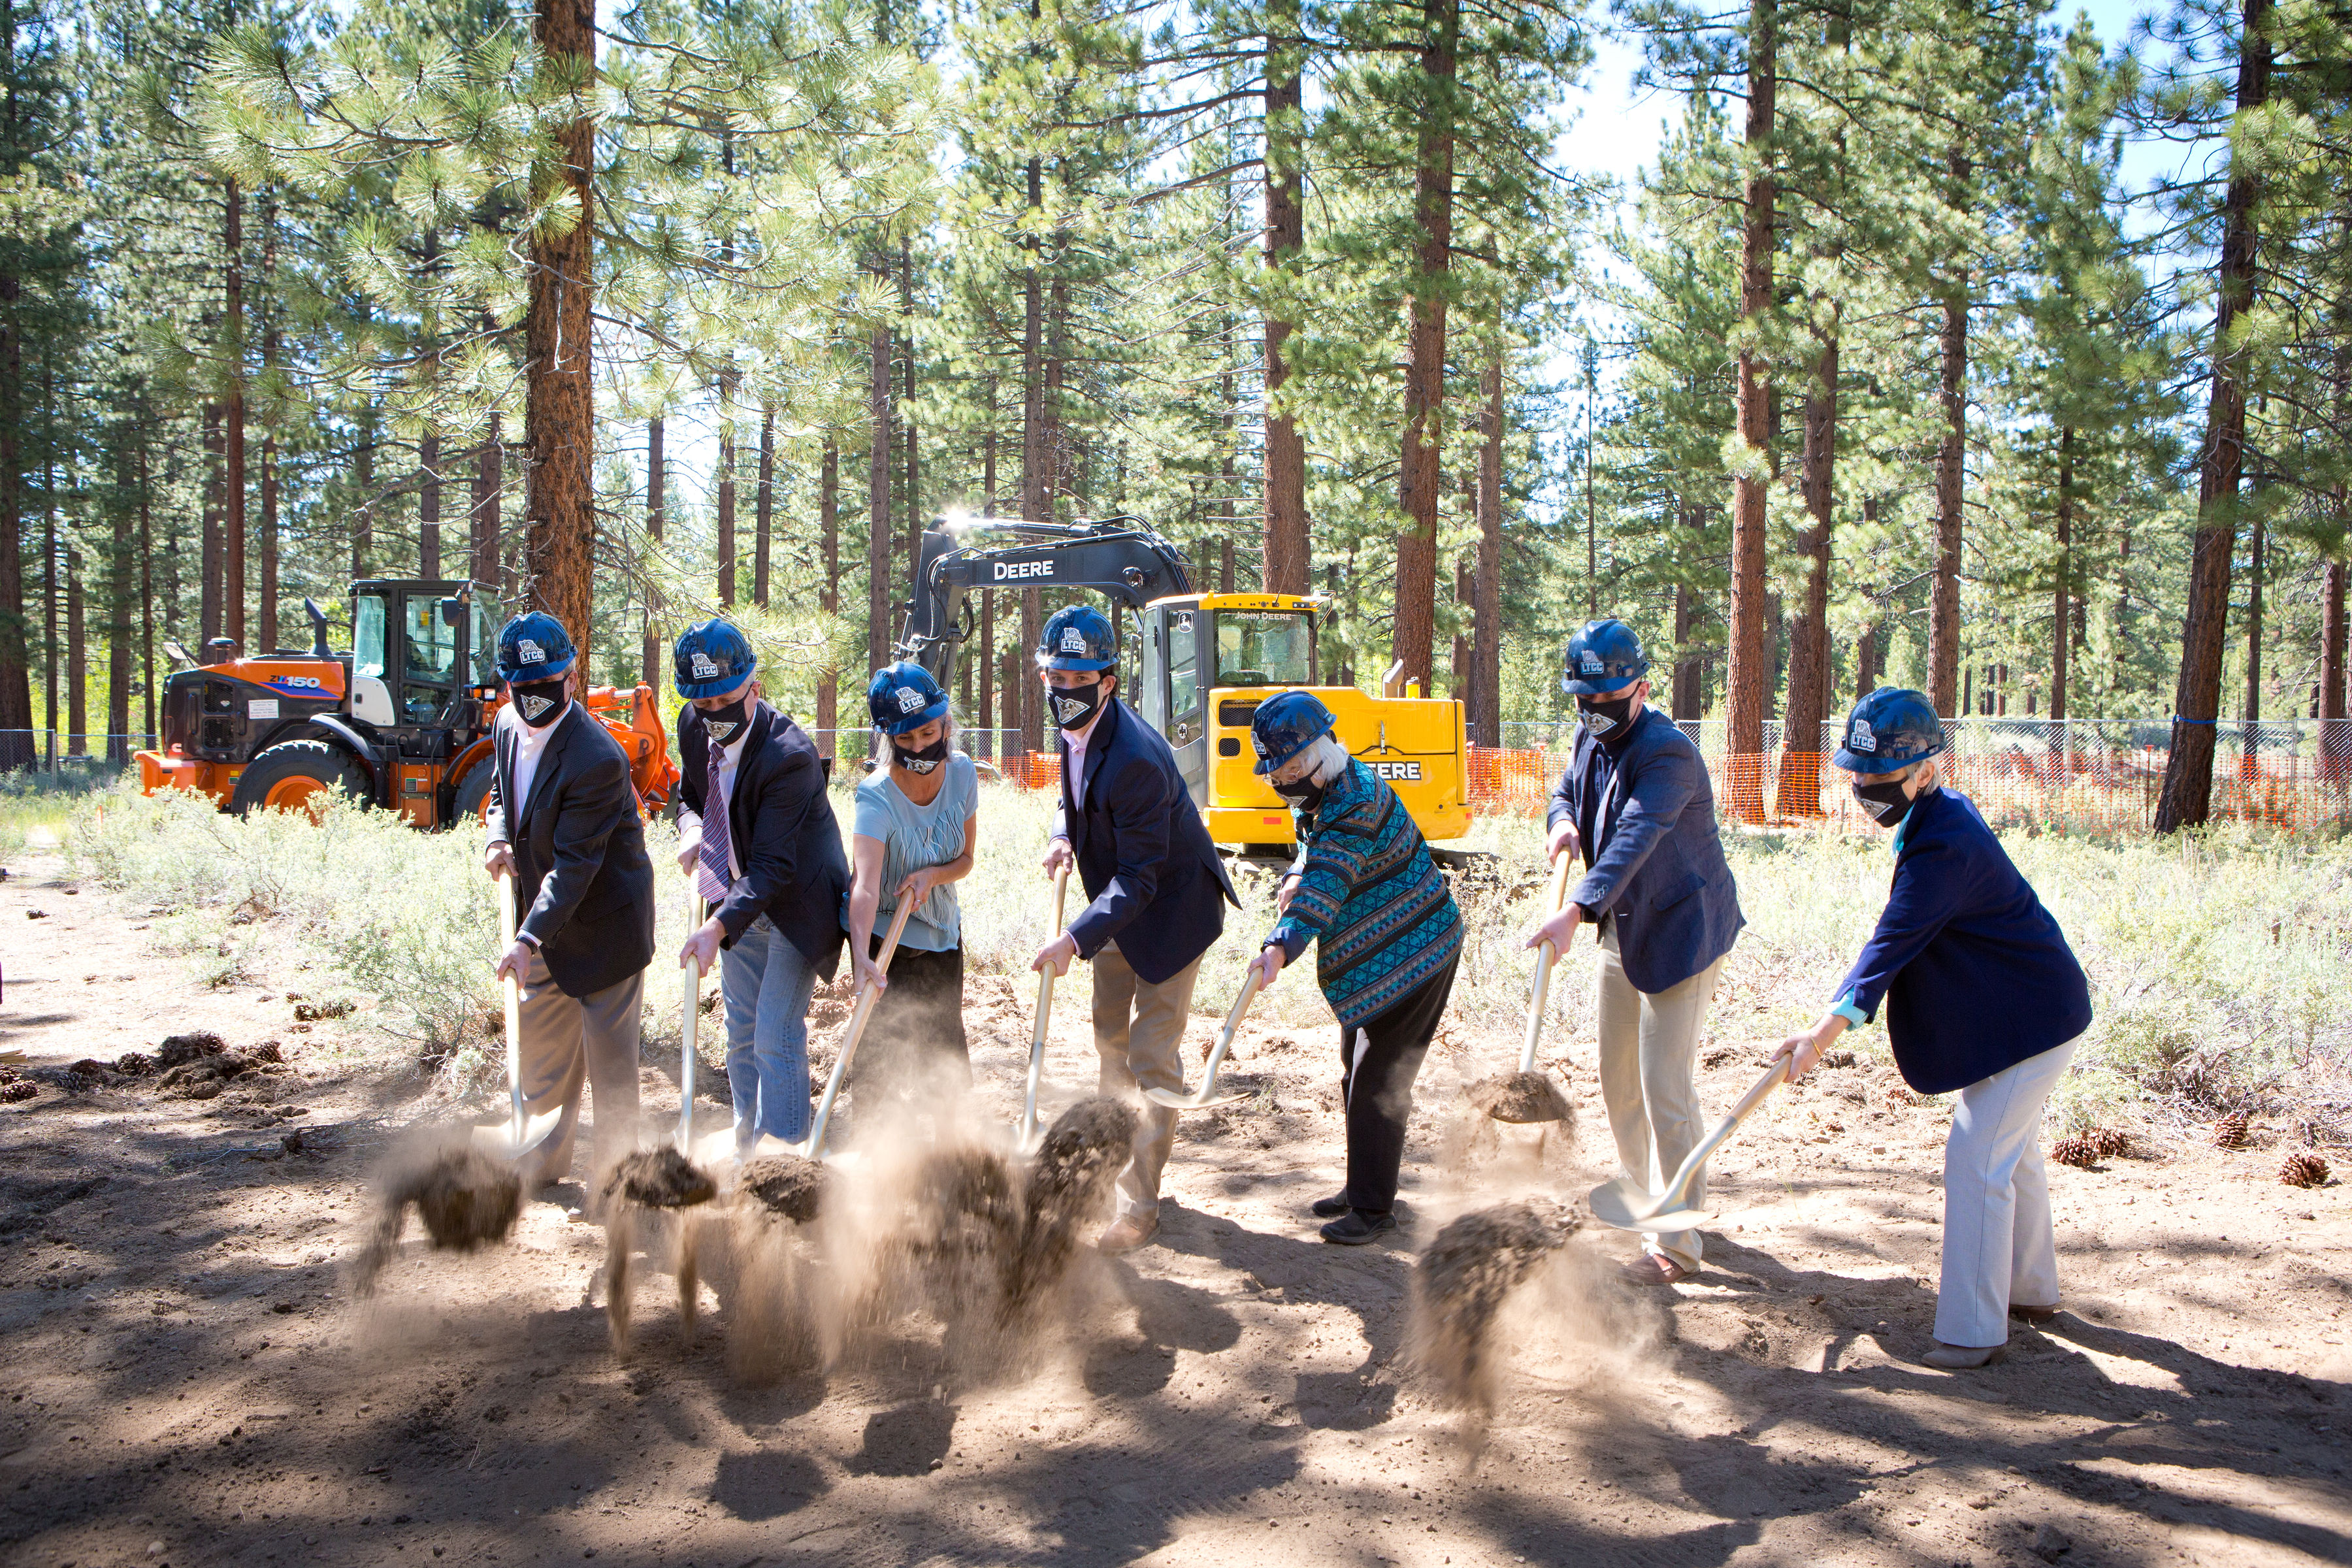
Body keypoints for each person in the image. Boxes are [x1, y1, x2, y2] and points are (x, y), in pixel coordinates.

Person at [1772, 689, 2092, 1369]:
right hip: (2024, 1010)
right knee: (2012, 1151)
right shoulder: (1939, 818)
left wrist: (1818, 1037)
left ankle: (1972, 1335)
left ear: (1925, 771)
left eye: (1879, 778)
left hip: (2035, 1021)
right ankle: (2031, 1291)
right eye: (1856, 774)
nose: (1863, 788)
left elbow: (1891, 945)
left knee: (1978, 1158)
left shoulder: (1944, 845)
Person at [1527, 618, 1744, 1286]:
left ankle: (1674, 1245)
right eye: (1582, 701)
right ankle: (1653, 1198)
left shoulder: (1667, 753)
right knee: (1619, 1079)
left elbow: (1635, 837)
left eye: (1606, 701)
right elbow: (1569, 788)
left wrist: (1575, 910)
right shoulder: (1589, 730)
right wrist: (1562, 821)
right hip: (1622, 929)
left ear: (1641, 688)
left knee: (1664, 1087)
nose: (1592, 713)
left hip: (1681, 932)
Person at [1030, 604, 1239, 1254]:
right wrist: (1066, 834)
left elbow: (1142, 880)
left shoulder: (1139, 758)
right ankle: (1106, 1170)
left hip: (1170, 916)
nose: (1064, 690)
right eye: (1054, 677)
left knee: (1149, 1061)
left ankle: (1140, 1207)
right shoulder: (1077, 730)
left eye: (1078, 679)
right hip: (1116, 912)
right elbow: (1075, 792)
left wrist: (1073, 939)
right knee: (1109, 1046)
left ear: (1109, 681)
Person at [1245, 692, 1463, 1245]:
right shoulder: (1329, 789)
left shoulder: (1355, 803)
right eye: (1275, 772)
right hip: (1377, 961)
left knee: (1377, 1081)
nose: (1281, 782)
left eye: (1288, 770)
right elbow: (1312, 854)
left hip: (1417, 954)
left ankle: (1373, 1209)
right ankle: (1364, 1181)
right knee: (1355, 1068)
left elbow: (1326, 886)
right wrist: (1297, 869)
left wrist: (1279, 947)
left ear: (1318, 757)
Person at [482, 611, 657, 1192]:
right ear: (508, 685)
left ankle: (617, 1183)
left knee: (611, 1073)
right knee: (542, 1062)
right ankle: (542, 1164)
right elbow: (502, 793)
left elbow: (575, 866)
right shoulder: (506, 724)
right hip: (545, 920)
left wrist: (527, 937)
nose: (531, 700)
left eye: (545, 687)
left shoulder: (597, 757)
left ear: (572, 680)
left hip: (604, 926)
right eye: (521, 689)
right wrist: (497, 836)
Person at [670, 619, 849, 1155]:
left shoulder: (789, 756)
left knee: (775, 1032)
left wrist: (716, 926)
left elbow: (772, 867)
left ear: (755, 685)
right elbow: (688, 793)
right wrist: (692, 828)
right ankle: (748, 1145)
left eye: (726, 697)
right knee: (742, 1031)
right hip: (734, 894)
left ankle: (787, 1154)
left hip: (798, 904)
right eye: (702, 703)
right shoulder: (692, 723)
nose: (714, 714)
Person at [844, 661, 979, 1102]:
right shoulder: (875, 795)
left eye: (927, 733)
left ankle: (955, 1160)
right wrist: (862, 957)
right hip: (886, 947)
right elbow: (864, 884)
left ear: (945, 724)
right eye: (905, 738)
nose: (919, 747)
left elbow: (965, 860)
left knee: (946, 1061)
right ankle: (875, 1158)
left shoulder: (962, 774)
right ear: (889, 738)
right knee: (876, 1064)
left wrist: (930, 876)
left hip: (943, 938)